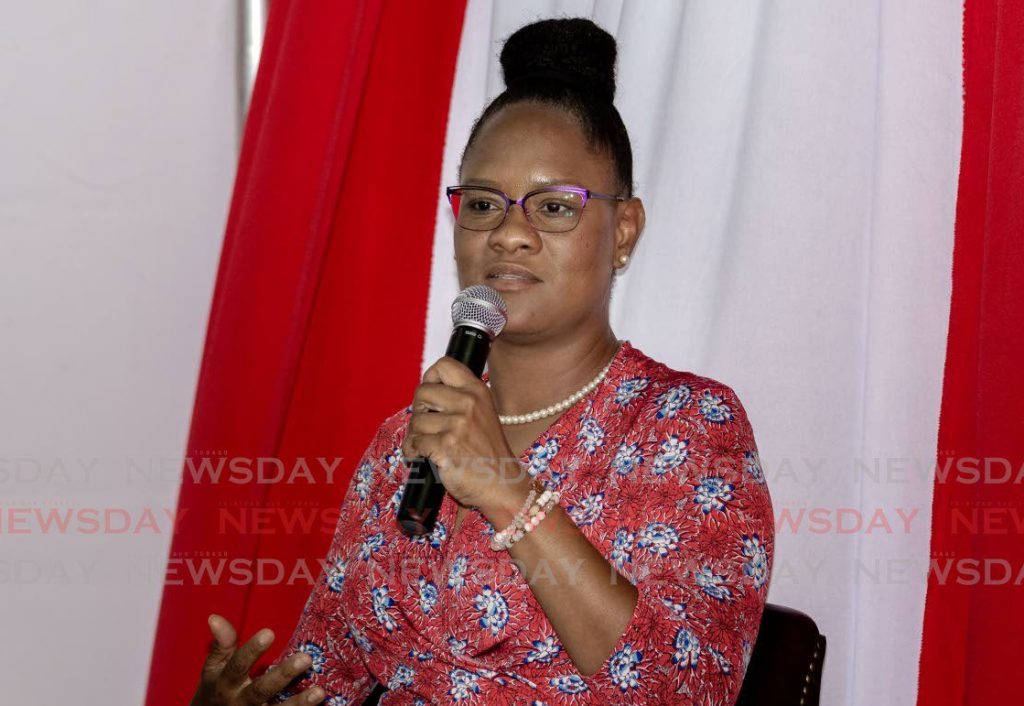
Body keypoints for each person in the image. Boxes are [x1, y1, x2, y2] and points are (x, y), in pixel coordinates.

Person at [189, 17, 773, 706]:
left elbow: (687, 690)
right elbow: (328, 680)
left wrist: (505, 490)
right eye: (484, 204)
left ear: (623, 231)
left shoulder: (690, 429)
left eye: (554, 207)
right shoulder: (403, 444)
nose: (509, 234)